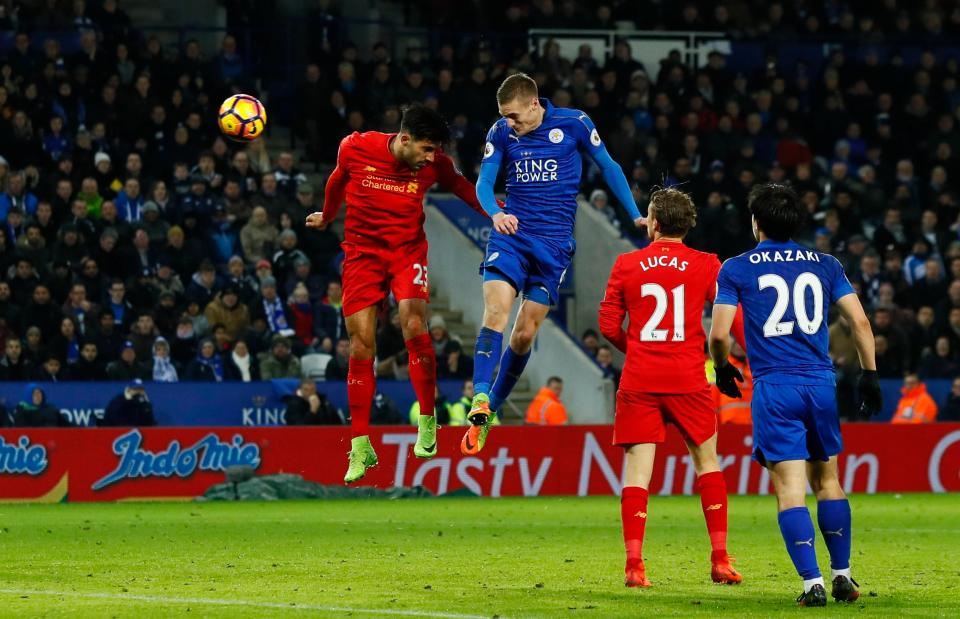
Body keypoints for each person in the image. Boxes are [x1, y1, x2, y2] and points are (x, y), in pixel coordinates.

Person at [708, 184, 881, 607]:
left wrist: (724, 367)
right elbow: (859, 323)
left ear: (757, 222)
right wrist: (869, 375)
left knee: (790, 488)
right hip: (821, 384)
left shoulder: (736, 268)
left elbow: (718, 334)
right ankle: (843, 576)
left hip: (774, 386)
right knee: (828, 481)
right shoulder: (826, 264)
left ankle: (812, 584)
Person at [305, 103, 489, 483]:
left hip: (407, 252)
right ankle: (360, 445)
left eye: (434, 150)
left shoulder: (434, 163)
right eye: (425, 149)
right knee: (360, 344)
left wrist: (497, 211)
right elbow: (337, 180)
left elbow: (463, 189)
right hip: (361, 254)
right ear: (404, 139)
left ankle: (427, 419)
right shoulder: (355, 147)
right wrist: (327, 214)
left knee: (412, 322)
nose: (430, 157)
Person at [465, 73, 643, 456]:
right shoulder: (501, 133)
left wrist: (634, 214)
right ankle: (479, 397)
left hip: (554, 246)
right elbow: (483, 182)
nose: (509, 123)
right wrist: (495, 212)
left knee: (525, 333)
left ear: (534, 104)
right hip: (511, 236)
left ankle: (490, 411)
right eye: (504, 117)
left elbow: (609, 166)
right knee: (496, 309)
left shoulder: (574, 123)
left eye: (514, 115)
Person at [597, 188, 742, 588]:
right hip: (689, 378)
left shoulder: (627, 264)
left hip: (640, 380)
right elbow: (732, 317)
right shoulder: (708, 265)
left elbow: (608, 324)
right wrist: (739, 358)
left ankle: (634, 566)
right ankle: (720, 560)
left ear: (656, 223)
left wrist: (641, 349)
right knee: (707, 463)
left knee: (638, 472)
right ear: (687, 224)